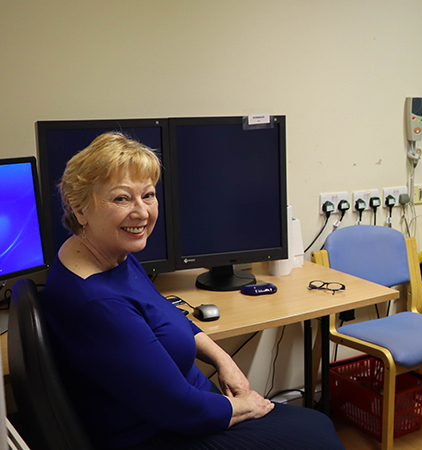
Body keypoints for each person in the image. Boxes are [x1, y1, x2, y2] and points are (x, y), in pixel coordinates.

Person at [39, 132, 345, 450]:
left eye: (148, 195)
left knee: (315, 425)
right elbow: (180, 409)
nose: (142, 212)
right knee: (317, 435)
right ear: (79, 208)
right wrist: (246, 406)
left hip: (187, 408)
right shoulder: (97, 303)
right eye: (121, 199)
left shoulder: (106, 253)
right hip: (159, 433)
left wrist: (224, 360)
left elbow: (166, 314)